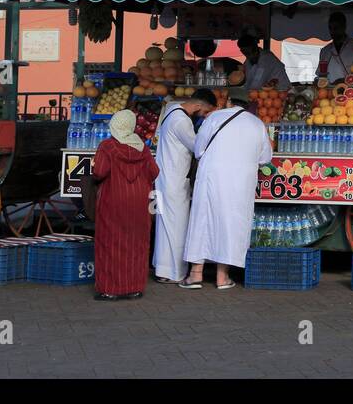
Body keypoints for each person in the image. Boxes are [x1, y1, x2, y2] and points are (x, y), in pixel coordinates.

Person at [180, 99, 274, 289]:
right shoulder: (257, 124)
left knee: (202, 221)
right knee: (231, 225)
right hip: (240, 183)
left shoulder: (214, 117)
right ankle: (222, 278)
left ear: (229, 103)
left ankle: (195, 275)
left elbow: (198, 150)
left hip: (212, 177)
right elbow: (265, 158)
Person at [91, 109, 160, 301]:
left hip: (113, 200)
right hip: (139, 202)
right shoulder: (143, 148)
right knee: (137, 243)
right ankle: (134, 287)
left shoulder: (107, 147)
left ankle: (110, 289)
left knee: (110, 242)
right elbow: (155, 172)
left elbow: (100, 172)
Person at [151, 89, 216, 284]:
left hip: (167, 177)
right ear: (198, 106)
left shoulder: (172, 110)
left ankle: (164, 269)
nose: (204, 116)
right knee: (177, 226)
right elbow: (198, 147)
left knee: (166, 225)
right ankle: (173, 271)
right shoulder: (182, 121)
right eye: (205, 112)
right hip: (174, 179)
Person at [318, 11, 353, 84]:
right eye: (330, 28)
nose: (332, 31)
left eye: (336, 28)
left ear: (344, 27)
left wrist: (345, 81)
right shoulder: (325, 50)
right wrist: (318, 81)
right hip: (329, 93)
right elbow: (320, 74)